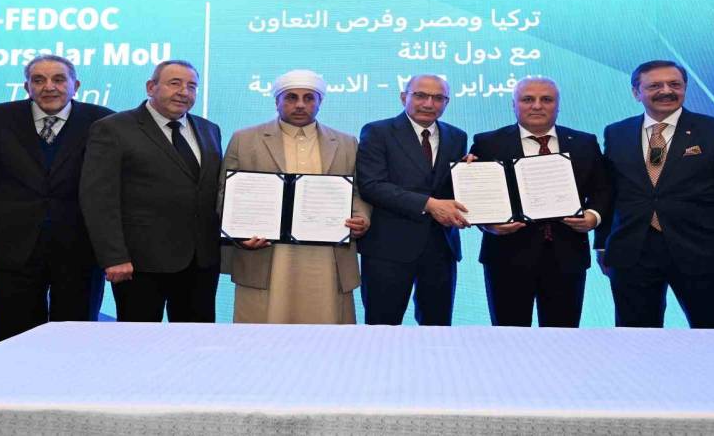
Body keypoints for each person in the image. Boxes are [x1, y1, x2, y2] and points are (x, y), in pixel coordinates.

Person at [596, 60, 714, 328]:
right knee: (635, 339)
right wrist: (603, 244)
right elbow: (611, 192)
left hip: (702, 254)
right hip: (632, 254)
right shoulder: (617, 132)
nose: (666, 91)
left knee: (713, 334)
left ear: (685, 88)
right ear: (636, 93)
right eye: (655, 86)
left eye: (674, 84)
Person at [0, 54, 113, 343]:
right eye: (39, 80)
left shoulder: (102, 120)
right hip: (11, 250)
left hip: (80, 251)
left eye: (58, 79)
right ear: (27, 87)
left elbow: (110, 188)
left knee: (76, 341)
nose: (49, 87)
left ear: (75, 86)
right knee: (12, 341)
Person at [222, 69, 370, 324]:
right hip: (266, 253)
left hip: (327, 255)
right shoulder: (244, 139)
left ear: (320, 102)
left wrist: (361, 217)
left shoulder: (346, 142)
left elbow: (358, 191)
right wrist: (239, 232)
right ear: (277, 101)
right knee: (263, 331)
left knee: (326, 329)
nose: (300, 104)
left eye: (309, 98)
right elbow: (226, 192)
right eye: (291, 97)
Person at [80, 60, 223, 322]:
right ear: (150, 87)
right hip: (139, 264)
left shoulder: (209, 129)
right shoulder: (113, 128)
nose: (184, 92)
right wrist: (114, 257)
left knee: (197, 341)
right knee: (139, 341)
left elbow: (213, 192)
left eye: (192, 86)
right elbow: (99, 198)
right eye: (174, 83)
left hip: (200, 263)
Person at [469, 77, 609, 327]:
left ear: (558, 105)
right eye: (527, 99)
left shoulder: (584, 142)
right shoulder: (487, 143)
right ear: (513, 105)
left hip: (568, 258)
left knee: (563, 337)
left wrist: (593, 216)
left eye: (546, 99)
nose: (537, 106)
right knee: (508, 336)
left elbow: (603, 189)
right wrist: (487, 224)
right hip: (506, 257)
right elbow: (477, 193)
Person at [355, 74, 468, 325]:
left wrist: (472, 173)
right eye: (420, 95)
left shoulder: (457, 137)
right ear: (403, 97)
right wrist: (429, 205)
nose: (429, 103)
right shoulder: (378, 132)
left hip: (441, 248)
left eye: (438, 98)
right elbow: (372, 186)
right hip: (388, 249)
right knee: (381, 328)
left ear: (447, 103)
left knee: (438, 329)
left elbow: (451, 188)